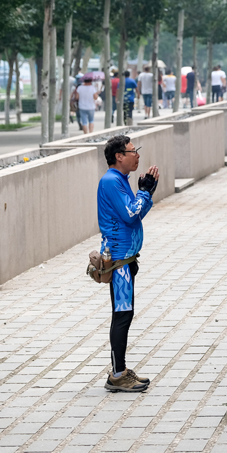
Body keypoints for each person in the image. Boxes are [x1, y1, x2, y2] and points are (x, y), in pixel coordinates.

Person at [98, 135, 159, 392]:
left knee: (124, 314)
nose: (137, 156)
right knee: (122, 315)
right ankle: (117, 374)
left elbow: (136, 212)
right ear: (118, 156)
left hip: (126, 260)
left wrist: (146, 193)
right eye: (133, 151)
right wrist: (144, 192)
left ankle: (120, 370)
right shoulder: (112, 181)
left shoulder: (120, 181)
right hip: (119, 263)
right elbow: (132, 214)